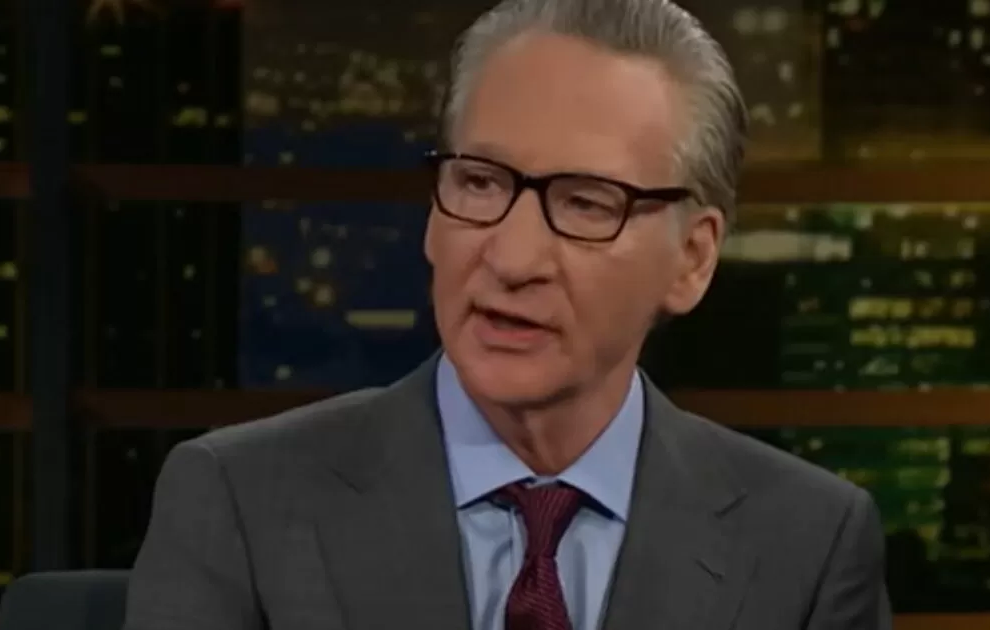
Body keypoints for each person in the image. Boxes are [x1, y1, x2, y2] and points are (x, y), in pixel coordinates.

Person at [125, 0, 892, 628]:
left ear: (692, 259)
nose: (513, 258)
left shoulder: (808, 547)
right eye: (482, 183)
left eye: (586, 203)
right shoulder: (241, 503)